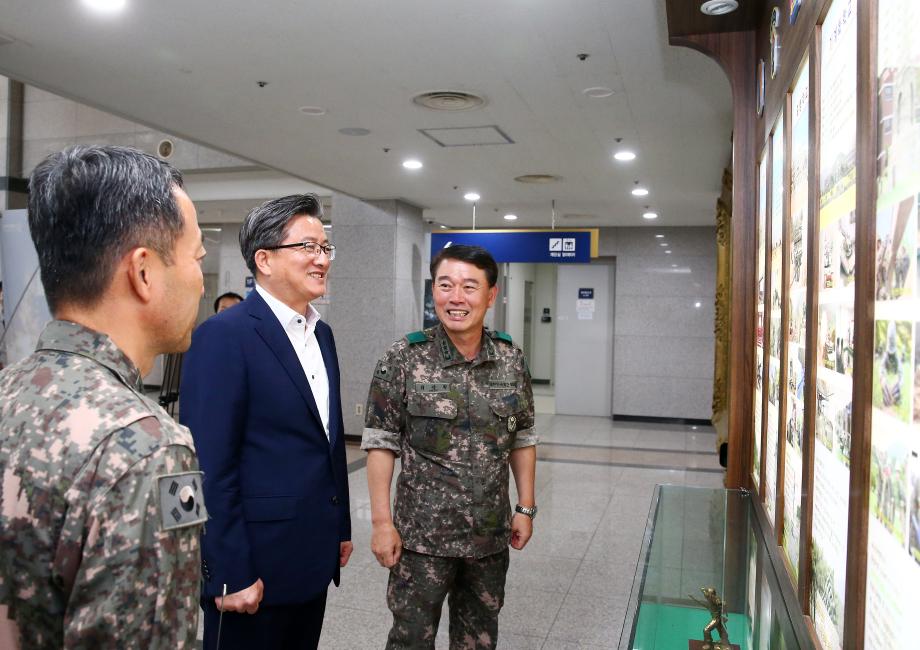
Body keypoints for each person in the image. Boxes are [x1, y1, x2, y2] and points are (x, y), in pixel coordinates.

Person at [0, 144, 208, 647]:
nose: (201, 280)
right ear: (143, 272)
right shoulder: (147, 448)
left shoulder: (9, 391)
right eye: (197, 257)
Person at [180, 193, 351, 650]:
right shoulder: (224, 335)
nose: (321, 260)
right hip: (250, 569)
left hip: (310, 558)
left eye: (325, 248)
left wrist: (340, 528)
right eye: (308, 247)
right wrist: (227, 571)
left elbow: (327, 440)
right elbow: (207, 465)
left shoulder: (323, 334)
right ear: (264, 259)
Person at [363, 244, 538, 649]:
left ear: (491, 295)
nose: (455, 298)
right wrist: (381, 523)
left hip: (488, 540)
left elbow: (523, 436)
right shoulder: (404, 358)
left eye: (469, 287)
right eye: (445, 285)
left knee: (479, 640)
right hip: (421, 542)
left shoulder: (511, 360)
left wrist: (526, 508)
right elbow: (380, 444)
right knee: (410, 640)